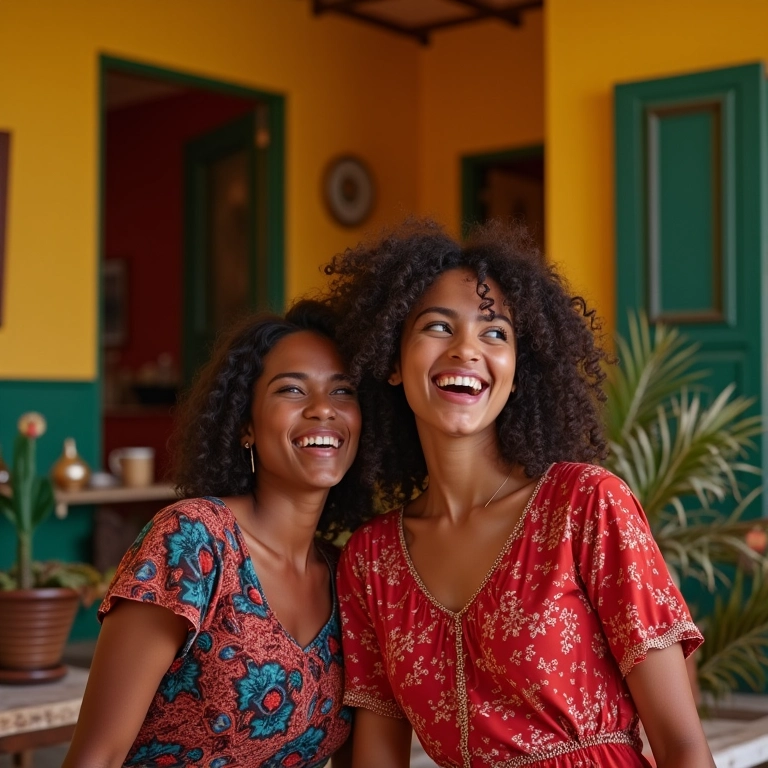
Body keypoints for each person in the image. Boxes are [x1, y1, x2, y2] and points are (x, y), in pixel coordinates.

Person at [322, 219, 714, 768]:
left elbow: (683, 747)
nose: (467, 349)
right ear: (391, 358)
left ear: (516, 369)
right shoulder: (370, 561)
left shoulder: (586, 505)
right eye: (438, 327)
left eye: (494, 332)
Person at [63, 300, 369, 768]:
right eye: (291, 390)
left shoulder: (346, 575)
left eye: (342, 391)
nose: (323, 410)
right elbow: (96, 757)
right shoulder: (194, 541)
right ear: (246, 424)